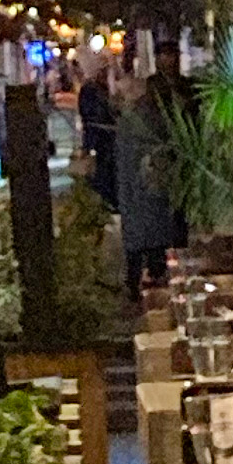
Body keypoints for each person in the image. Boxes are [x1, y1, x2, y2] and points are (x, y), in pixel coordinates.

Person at [112, 69, 180, 294]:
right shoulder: (153, 117)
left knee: (138, 242)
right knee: (154, 242)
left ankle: (136, 285)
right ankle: (153, 283)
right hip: (150, 190)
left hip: (136, 190)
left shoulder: (133, 119)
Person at [75, 62, 117, 208]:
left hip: (103, 140)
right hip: (102, 141)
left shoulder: (98, 89)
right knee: (103, 172)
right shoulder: (92, 91)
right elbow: (91, 120)